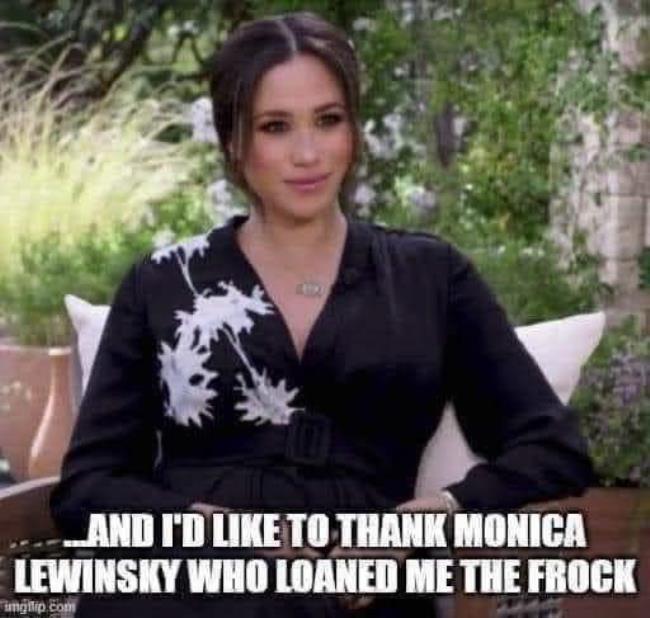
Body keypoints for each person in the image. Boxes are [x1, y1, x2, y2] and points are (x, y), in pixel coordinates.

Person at [50, 11, 594, 617]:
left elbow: (553, 449)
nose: (307, 153)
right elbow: (87, 489)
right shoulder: (162, 282)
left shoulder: (431, 277)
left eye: (328, 120)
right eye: (275, 127)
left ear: (353, 131)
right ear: (234, 142)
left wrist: (428, 520)